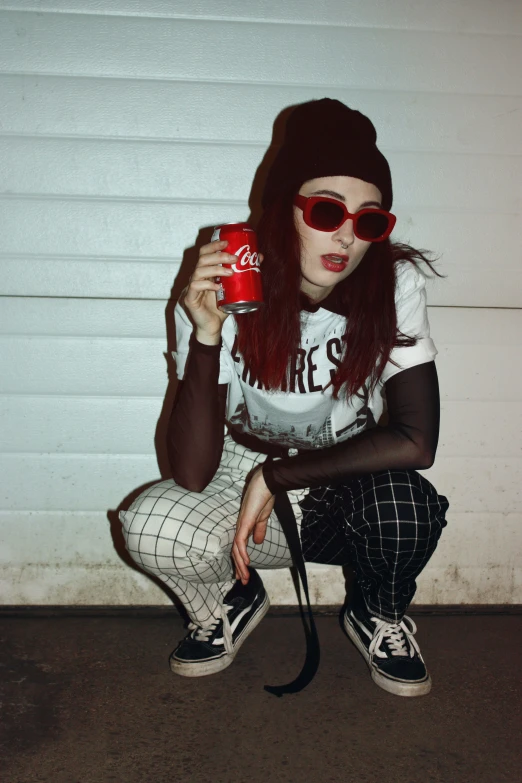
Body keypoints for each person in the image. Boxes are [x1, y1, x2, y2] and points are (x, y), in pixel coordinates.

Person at [119, 98, 450, 698]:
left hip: (337, 477)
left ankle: (376, 610)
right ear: (282, 210)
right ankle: (229, 599)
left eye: (370, 221)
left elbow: (416, 440)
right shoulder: (224, 281)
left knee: (408, 508)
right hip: (234, 468)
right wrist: (205, 335)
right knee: (151, 525)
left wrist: (277, 477)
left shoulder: (394, 283)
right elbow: (191, 472)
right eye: (326, 211)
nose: (348, 237)